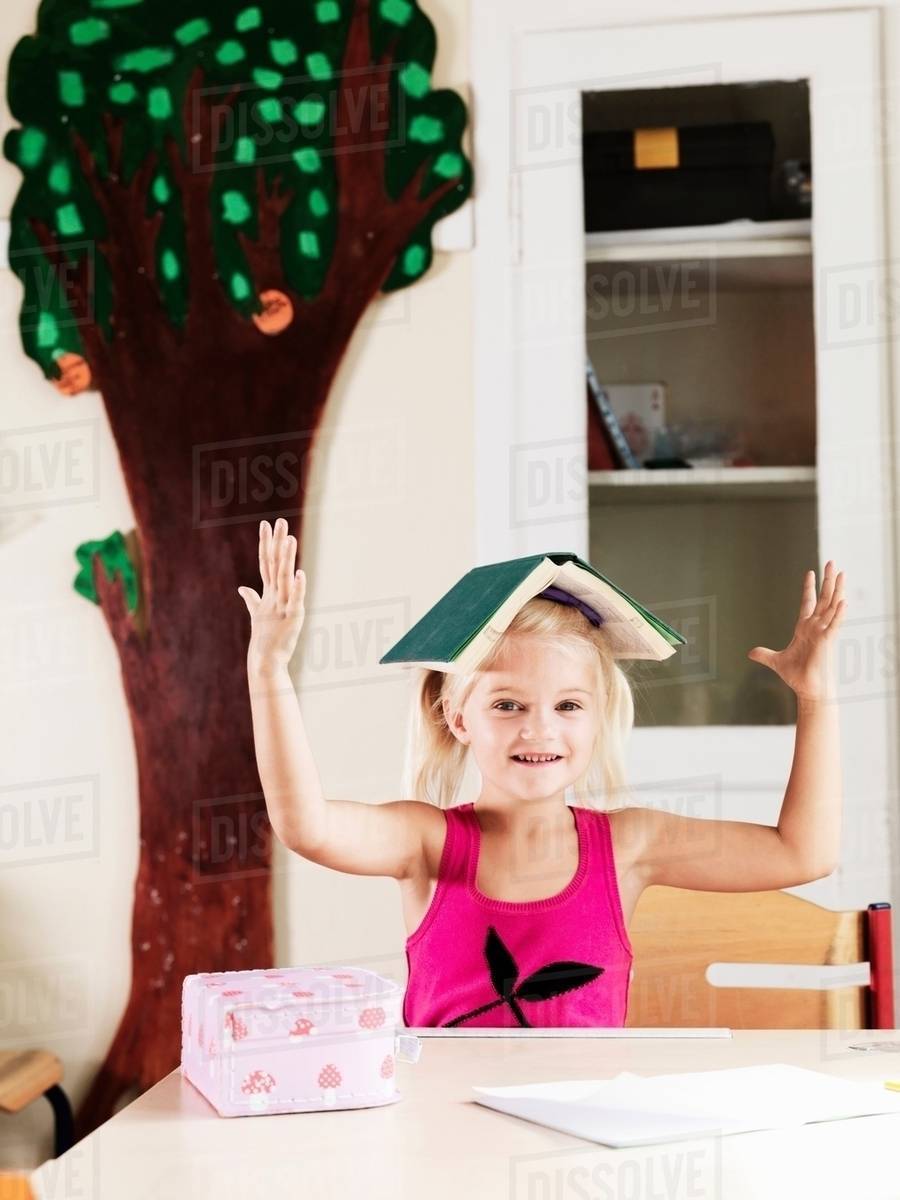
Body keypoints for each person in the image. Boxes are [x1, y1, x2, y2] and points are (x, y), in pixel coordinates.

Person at [238, 518, 846, 1028]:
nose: (540, 730)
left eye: (567, 706)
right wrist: (268, 670)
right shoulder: (426, 842)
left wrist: (816, 698)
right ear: (457, 717)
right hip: (443, 1143)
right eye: (508, 705)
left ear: (597, 716)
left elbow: (803, 853)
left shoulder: (631, 843)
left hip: (576, 1149)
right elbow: (306, 825)